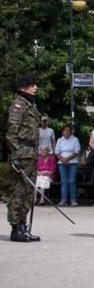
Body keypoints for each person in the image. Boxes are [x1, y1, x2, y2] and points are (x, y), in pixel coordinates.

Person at [6, 74, 42, 242]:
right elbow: (11, 133)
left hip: (31, 153)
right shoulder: (19, 105)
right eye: (31, 84)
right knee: (18, 192)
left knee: (28, 192)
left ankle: (23, 226)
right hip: (22, 153)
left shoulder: (30, 105)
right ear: (22, 87)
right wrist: (15, 155)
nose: (35, 87)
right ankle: (16, 228)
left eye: (35, 84)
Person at [55, 124, 81, 207]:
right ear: (62, 132)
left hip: (72, 162)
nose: (66, 132)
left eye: (68, 130)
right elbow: (57, 152)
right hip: (62, 163)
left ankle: (73, 200)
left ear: (70, 131)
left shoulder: (75, 139)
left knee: (72, 181)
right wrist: (63, 159)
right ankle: (63, 200)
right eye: (65, 130)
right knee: (64, 182)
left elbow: (76, 151)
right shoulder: (59, 140)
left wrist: (67, 159)